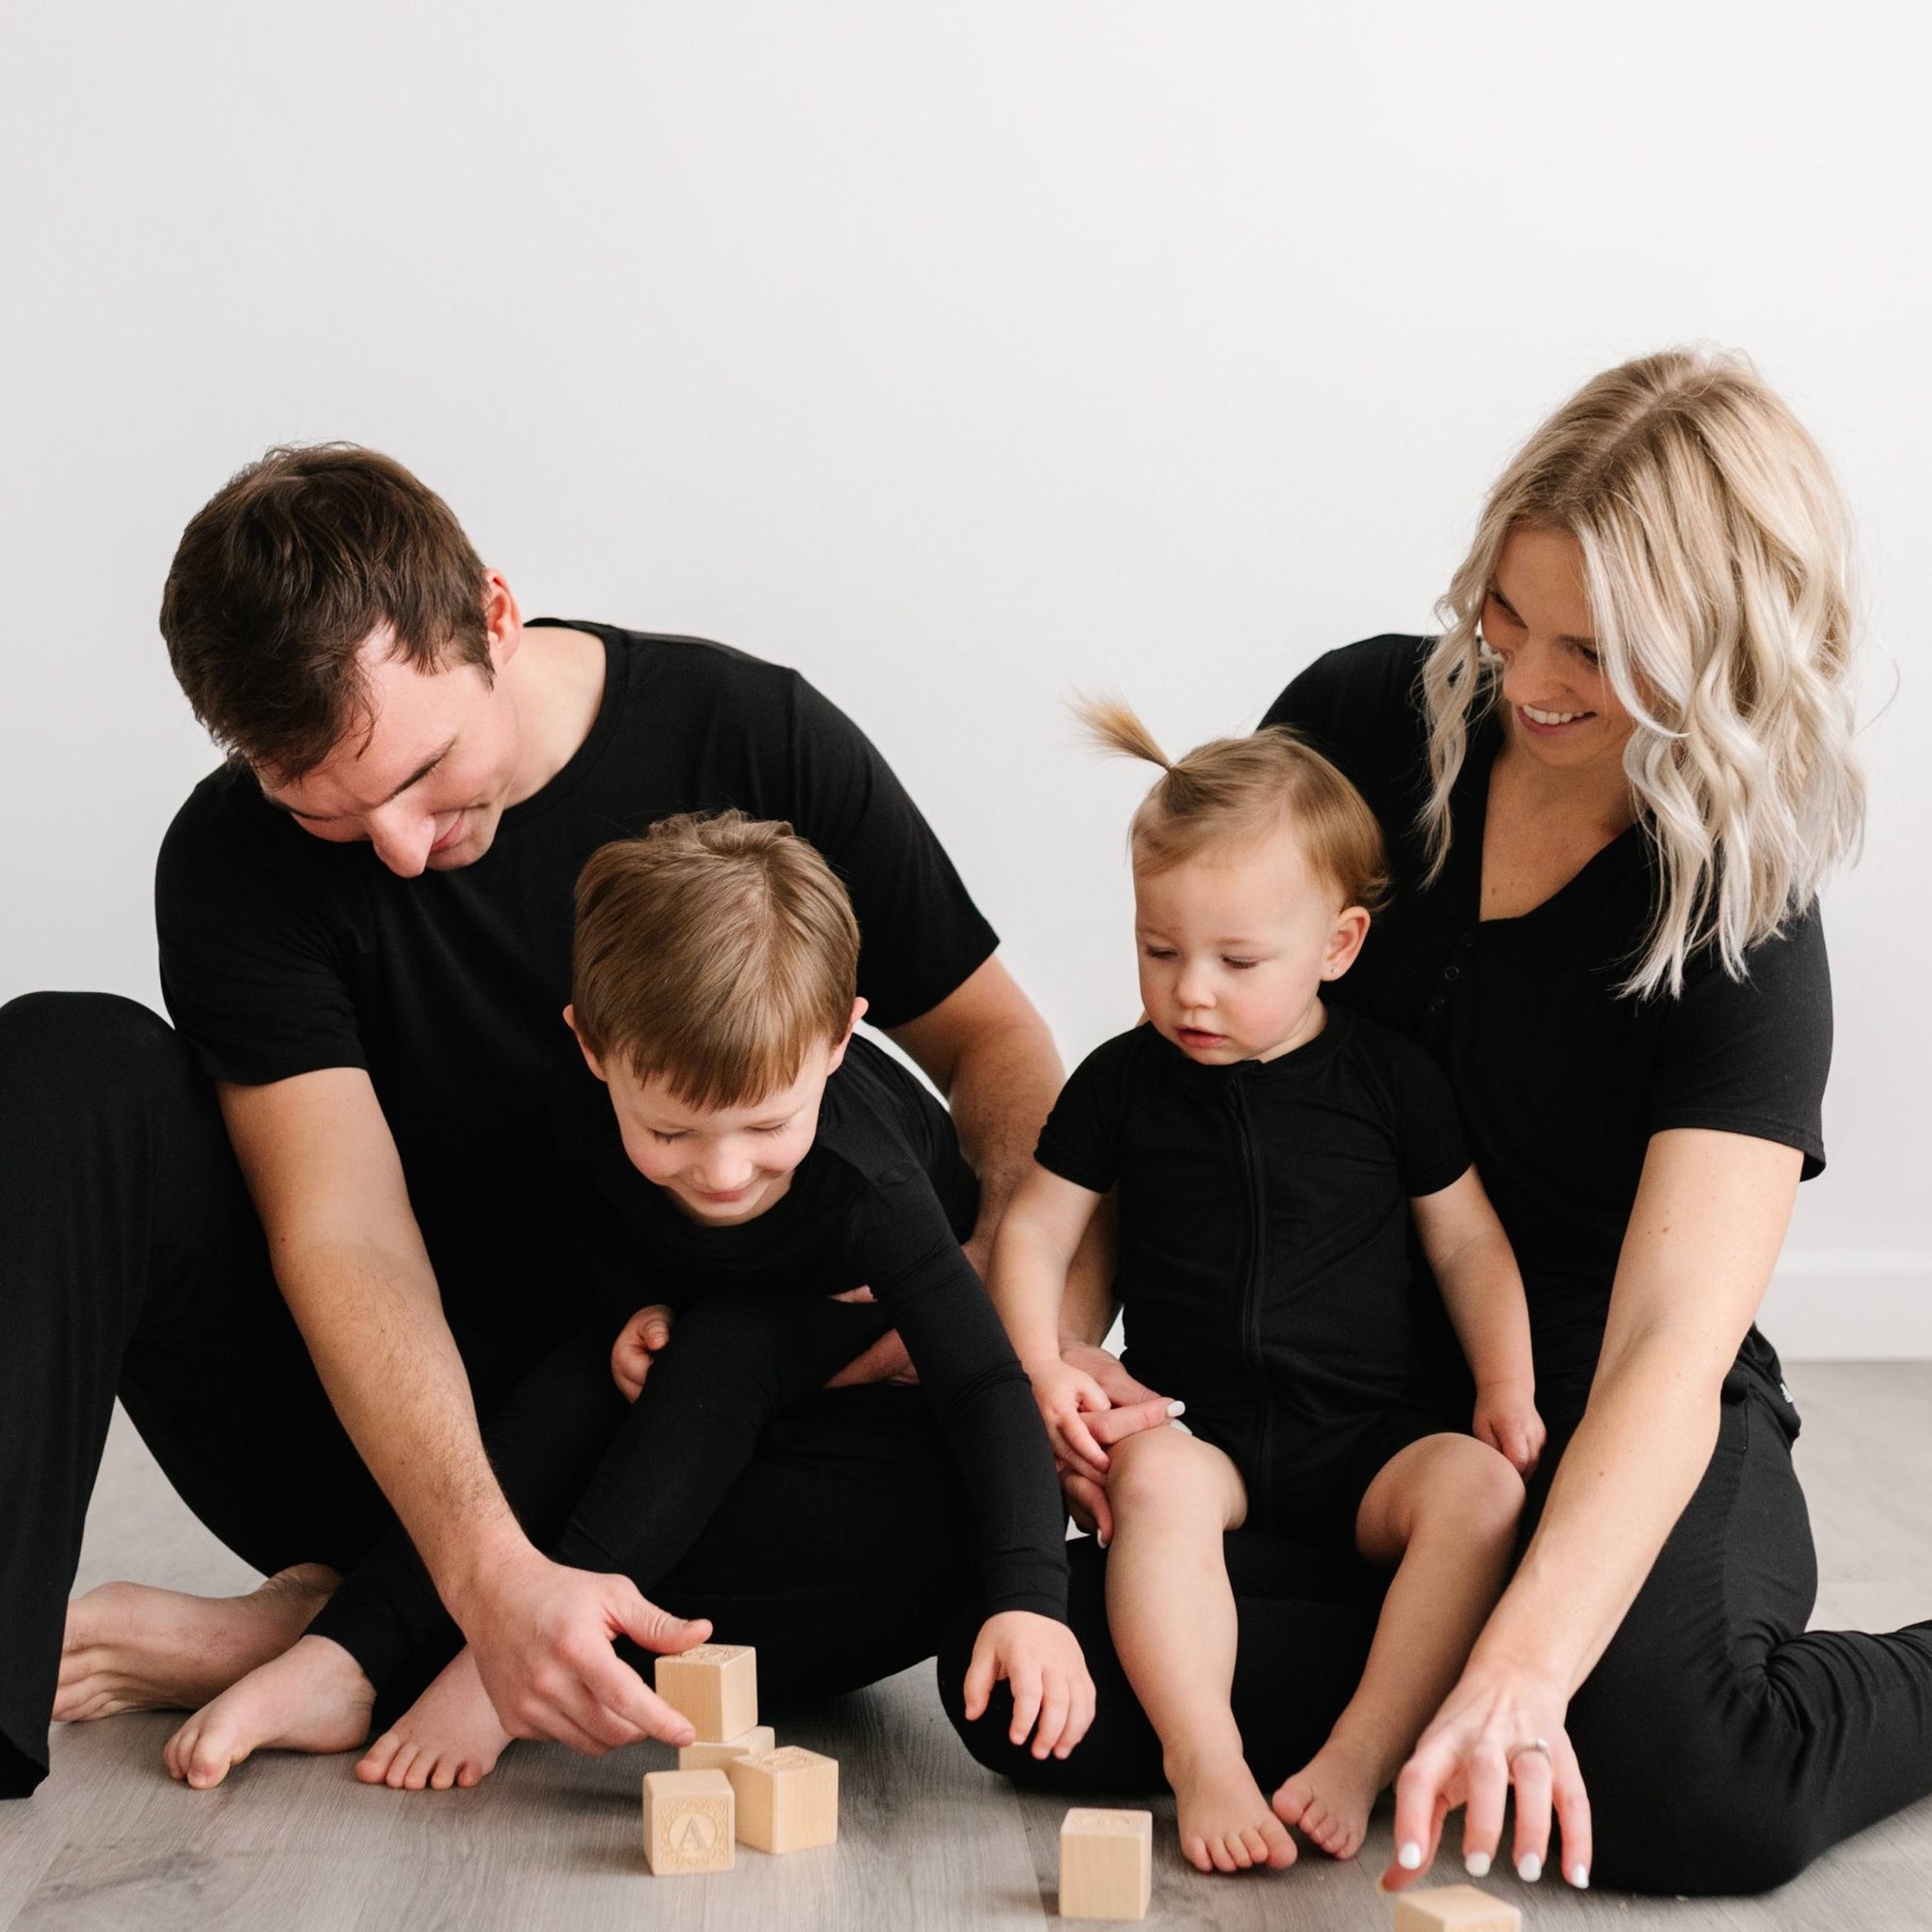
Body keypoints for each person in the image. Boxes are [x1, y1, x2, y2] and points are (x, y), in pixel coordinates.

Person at [3, 442, 1137, 1800]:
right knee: (62, 1063)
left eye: (424, 773)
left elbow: (998, 1049)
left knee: (958, 1510)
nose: (404, 853)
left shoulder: (745, 732)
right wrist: (488, 1571)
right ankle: (362, 1620)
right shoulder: (232, 866)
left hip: (722, 1422)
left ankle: (339, 1632)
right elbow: (345, 1238)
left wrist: (1012, 1325)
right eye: (329, 815)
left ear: (493, 617)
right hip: (423, 1432)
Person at [946, 348, 1922, 1898]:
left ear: (1724, 651)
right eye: (1508, 617)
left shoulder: (1744, 923)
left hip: (1605, 1418)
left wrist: (1529, 1670)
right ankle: (1451, 1665)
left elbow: (1673, 1345)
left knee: (1688, 1786)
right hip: (1342, 1417)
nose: (1528, 681)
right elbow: (1173, 1080)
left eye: (1596, 654)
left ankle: (1556, 1664)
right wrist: (1068, 1361)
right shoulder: (1357, 720)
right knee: (1031, 1679)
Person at [161, 811, 1094, 1790]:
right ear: (593, 1048)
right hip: (710, 1297)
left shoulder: (873, 1187)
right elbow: (602, 1215)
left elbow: (989, 1377)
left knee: (726, 1347)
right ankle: (344, 1652)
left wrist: (1028, 1593)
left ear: (836, 1039)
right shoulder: (580, 1098)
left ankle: (506, 1666)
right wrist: (634, 1304)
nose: (724, 1170)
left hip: (853, 1304)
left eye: (766, 1124)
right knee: (576, 1380)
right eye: (673, 1133)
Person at [990, 703, 1541, 1874]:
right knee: (1150, 1479)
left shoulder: (1390, 1081)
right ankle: (1206, 1756)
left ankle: (1361, 1748)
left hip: (1369, 1435)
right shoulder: (1120, 1083)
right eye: (1157, 950)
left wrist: (1505, 1385)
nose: (1190, 991)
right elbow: (1035, 1229)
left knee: (1480, 1493)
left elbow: (1466, 1246)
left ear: (1337, 944)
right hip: (1207, 1429)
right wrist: (1039, 1361)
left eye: (1238, 962)